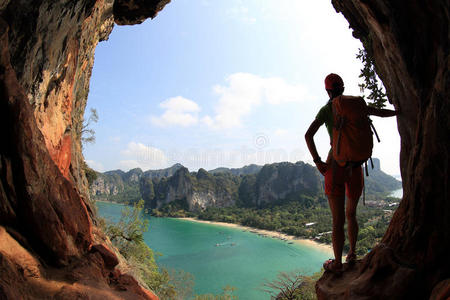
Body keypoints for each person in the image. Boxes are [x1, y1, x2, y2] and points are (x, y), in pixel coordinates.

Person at [305, 73, 398, 274]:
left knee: (337, 220)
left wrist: (318, 161)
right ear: (343, 88)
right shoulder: (356, 106)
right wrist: (402, 111)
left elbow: (308, 135)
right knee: (351, 214)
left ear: (328, 91)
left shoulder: (326, 109)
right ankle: (353, 254)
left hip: (335, 166)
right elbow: (381, 113)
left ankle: (337, 263)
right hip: (355, 167)